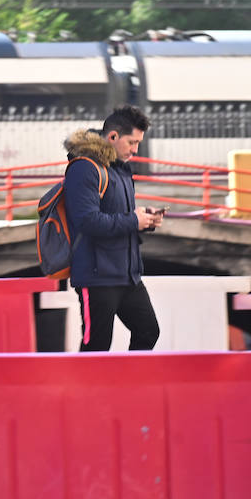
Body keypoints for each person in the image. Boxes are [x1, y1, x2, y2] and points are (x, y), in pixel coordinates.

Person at [63, 105, 162, 351]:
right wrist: (133, 220)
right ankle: (86, 391)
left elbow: (120, 216)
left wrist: (145, 220)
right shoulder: (84, 168)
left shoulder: (120, 169)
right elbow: (87, 221)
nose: (135, 150)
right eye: (131, 142)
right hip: (96, 277)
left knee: (148, 331)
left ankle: (128, 389)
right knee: (96, 347)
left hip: (127, 275)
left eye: (138, 143)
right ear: (113, 136)